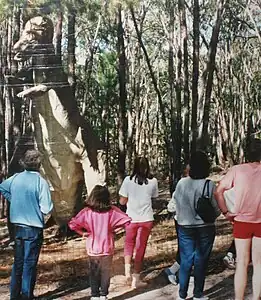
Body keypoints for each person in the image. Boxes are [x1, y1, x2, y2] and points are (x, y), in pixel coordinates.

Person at [0, 149, 53, 300]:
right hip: (33, 228)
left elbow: (3, 187)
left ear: (25, 162)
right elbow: (47, 208)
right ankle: (26, 296)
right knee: (29, 263)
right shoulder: (40, 182)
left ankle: (14, 296)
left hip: (17, 227)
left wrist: (14, 199)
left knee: (18, 263)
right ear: (39, 164)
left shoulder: (16, 178)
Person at [215, 138, 261, 300]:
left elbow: (218, 191)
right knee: (259, 264)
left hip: (241, 221)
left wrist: (226, 212)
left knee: (241, 263)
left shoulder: (237, 170)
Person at [68, 185, 131, 300]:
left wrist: (82, 233)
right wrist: (115, 230)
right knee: (106, 272)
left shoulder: (86, 212)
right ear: (107, 197)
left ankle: (94, 295)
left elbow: (72, 224)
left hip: (93, 247)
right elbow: (127, 220)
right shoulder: (112, 211)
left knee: (94, 272)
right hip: (108, 246)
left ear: (92, 197)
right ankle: (104, 295)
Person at [175, 151, 220, 300]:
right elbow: (216, 208)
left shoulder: (181, 183)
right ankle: (198, 294)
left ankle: (182, 294)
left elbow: (176, 203)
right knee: (201, 260)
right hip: (205, 227)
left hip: (184, 227)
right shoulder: (209, 184)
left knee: (186, 260)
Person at [119, 156, 158, 288]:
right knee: (140, 247)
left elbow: (122, 201)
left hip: (131, 218)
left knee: (129, 243)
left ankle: (126, 273)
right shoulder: (153, 181)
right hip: (147, 219)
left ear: (134, 166)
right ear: (147, 167)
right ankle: (136, 279)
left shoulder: (127, 181)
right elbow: (154, 197)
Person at [165, 164, 190, 285]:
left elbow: (170, 207)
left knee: (187, 248)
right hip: (183, 222)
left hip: (185, 221)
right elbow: (171, 207)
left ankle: (175, 271)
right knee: (186, 248)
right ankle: (173, 271)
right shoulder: (182, 185)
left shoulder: (199, 183)